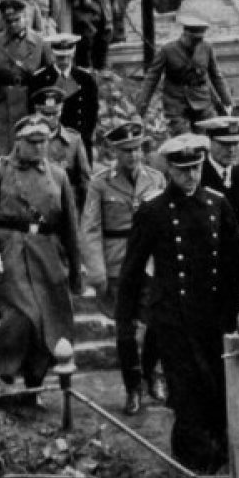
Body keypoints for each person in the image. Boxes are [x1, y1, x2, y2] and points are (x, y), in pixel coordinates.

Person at [116, 133, 239, 473]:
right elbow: (132, 269)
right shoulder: (154, 210)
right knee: (187, 389)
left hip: (215, 316)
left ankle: (216, 454)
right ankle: (194, 462)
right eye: (182, 169)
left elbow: (236, 264)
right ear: (169, 169)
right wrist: (126, 318)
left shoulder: (217, 204)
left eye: (196, 167)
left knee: (217, 387)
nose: (190, 175)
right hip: (173, 317)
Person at [0, 115, 80, 393]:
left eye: (43, 141)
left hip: (48, 253)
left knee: (51, 320)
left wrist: (76, 275)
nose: (39, 148)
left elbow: (70, 225)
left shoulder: (58, 174)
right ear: (18, 142)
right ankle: (3, 372)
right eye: (32, 142)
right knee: (22, 315)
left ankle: (35, 382)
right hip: (10, 251)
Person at [82, 120, 166, 415]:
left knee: (157, 321)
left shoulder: (156, 179)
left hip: (152, 263)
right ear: (114, 152)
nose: (133, 156)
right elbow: (90, 228)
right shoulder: (100, 183)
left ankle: (150, 374)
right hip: (118, 261)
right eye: (126, 151)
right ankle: (132, 388)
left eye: (137, 149)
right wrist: (96, 270)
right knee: (125, 329)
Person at [0, 0, 54, 159]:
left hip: (30, 100)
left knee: (30, 142)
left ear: (25, 17)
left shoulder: (40, 42)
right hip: (3, 100)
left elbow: (50, 72)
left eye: (16, 20)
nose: (13, 24)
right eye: (8, 21)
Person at [135, 15, 233, 135]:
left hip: (202, 100)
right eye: (194, 39)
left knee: (206, 138)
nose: (197, 43)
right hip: (175, 102)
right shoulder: (167, 50)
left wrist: (227, 101)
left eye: (200, 39)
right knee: (183, 141)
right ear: (185, 34)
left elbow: (216, 75)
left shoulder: (207, 48)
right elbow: (151, 79)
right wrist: (140, 109)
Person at [194, 116, 239, 240]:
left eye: (235, 143)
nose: (231, 150)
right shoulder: (197, 176)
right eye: (225, 144)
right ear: (210, 143)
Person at [43, 33, 99, 163]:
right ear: (53, 54)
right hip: (51, 141)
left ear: (73, 54)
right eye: (60, 57)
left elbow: (92, 112)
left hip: (80, 139)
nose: (64, 61)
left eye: (67, 57)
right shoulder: (41, 79)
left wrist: (86, 136)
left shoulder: (85, 79)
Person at [31, 87, 91, 209]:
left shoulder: (74, 140)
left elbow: (85, 181)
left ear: (61, 110)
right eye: (46, 114)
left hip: (67, 206)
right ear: (36, 111)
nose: (51, 118)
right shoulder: (28, 139)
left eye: (55, 113)